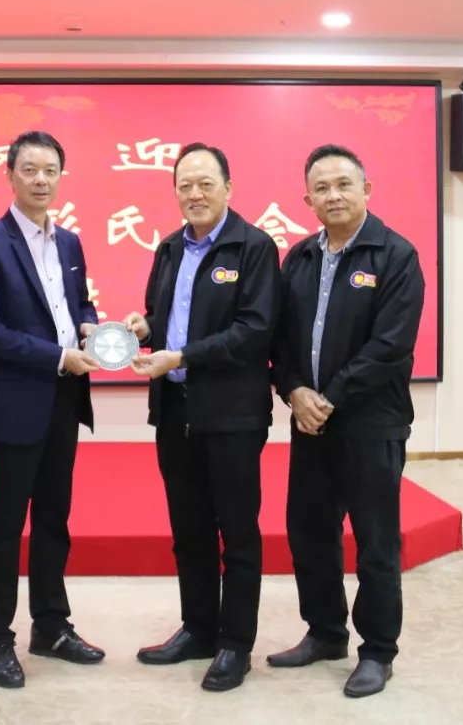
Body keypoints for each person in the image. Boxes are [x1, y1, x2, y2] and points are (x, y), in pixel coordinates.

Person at [266, 144, 426, 698]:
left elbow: (390, 347)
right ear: (306, 199)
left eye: (343, 184)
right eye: (321, 188)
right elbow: (279, 339)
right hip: (310, 422)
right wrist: (293, 390)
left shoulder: (396, 256)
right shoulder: (299, 258)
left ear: (366, 190)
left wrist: (327, 398)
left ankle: (378, 650)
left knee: (375, 542)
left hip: (371, 424)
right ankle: (325, 632)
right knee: (310, 532)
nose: (332, 195)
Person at [123, 142, 281, 693]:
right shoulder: (169, 247)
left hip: (232, 415)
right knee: (188, 530)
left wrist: (182, 357)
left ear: (228, 188)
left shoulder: (254, 247)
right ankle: (198, 629)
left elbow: (254, 330)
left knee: (237, 533)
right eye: (185, 185)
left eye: (205, 183)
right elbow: (162, 315)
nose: (195, 193)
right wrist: (144, 328)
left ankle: (235, 643)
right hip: (175, 412)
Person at [0, 130, 105, 689]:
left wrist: (89, 327)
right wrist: (59, 356)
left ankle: (51, 625)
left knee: (53, 518)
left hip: (65, 399)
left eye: (50, 171)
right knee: (5, 524)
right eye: (30, 170)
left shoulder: (69, 243)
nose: (41, 180)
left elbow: (78, 305)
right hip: (17, 402)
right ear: (10, 175)